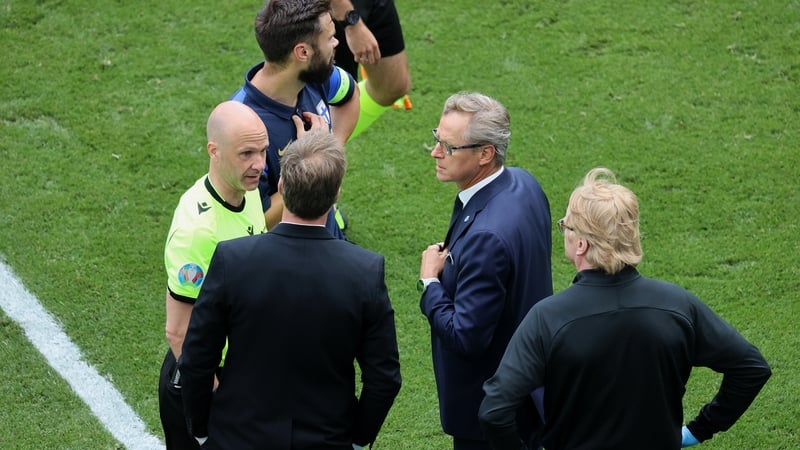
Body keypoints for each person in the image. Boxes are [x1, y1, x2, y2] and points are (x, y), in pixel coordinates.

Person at [478, 167, 773, 450]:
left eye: (565, 225)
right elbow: (751, 368)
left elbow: (495, 409)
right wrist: (700, 429)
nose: (562, 230)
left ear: (580, 244)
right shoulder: (677, 305)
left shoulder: (548, 318)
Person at [179, 130, 402, 449]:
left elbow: (196, 359)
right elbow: (384, 378)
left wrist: (200, 428)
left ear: (282, 187)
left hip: (236, 438)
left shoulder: (233, 260)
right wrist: (358, 440)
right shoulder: (365, 271)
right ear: (336, 194)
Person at [418, 92, 553, 450]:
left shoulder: (486, 238)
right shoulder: (525, 185)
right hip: (529, 387)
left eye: (448, 147)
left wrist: (430, 282)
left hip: (490, 412)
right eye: (436, 139)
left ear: (485, 154)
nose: (435, 152)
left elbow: (466, 337)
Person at [159, 101, 268, 449]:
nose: (260, 165)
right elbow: (178, 332)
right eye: (247, 153)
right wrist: (221, 397)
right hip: (205, 380)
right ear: (214, 151)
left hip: (240, 368)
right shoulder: (198, 232)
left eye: (263, 152)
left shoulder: (246, 192)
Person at [231, 0, 359, 238]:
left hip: (328, 239)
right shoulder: (242, 125)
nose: (336, 42)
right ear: (303, 52)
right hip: (286, 261)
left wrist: (331, 150)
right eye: (330, 37)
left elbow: (351, 95)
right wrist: (312, 163)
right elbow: (253, 223)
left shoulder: (318, 75)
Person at [330, 0, 412, 139]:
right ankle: (321, 153)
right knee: (338, 99)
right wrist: (350, 22)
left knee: (393, 85)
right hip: (331, 8)